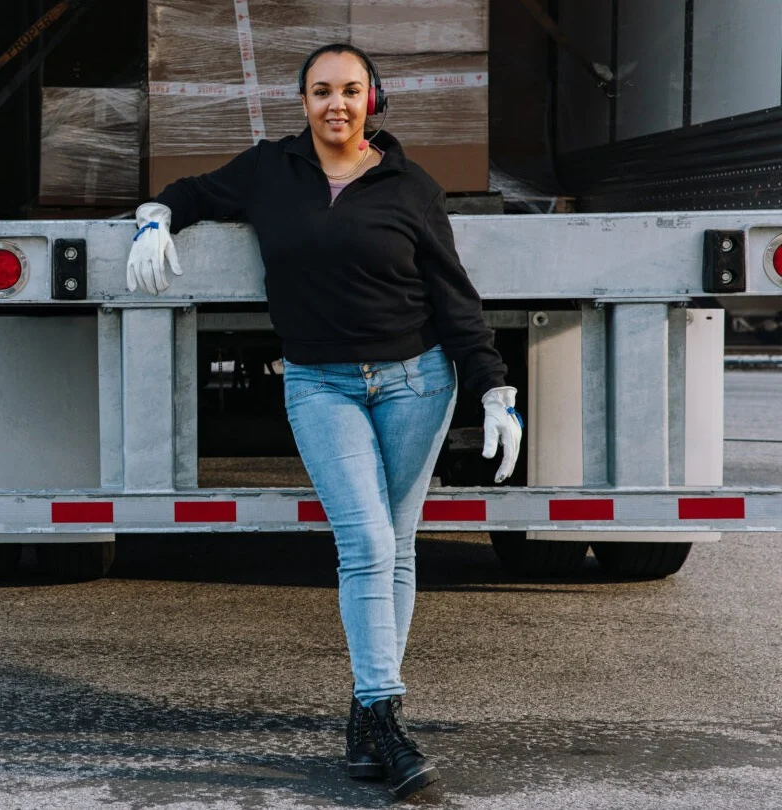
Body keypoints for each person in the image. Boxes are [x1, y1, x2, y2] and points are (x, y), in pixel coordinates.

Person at [125, 43, 523, 800]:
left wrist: (492, 390)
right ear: (302, 100)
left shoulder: (412, 187)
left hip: (417, 382)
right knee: (368, 541)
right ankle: (386, 719)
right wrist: (155, 217)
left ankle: (368, 721)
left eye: (349, 90)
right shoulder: (270, 172)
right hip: (320, 385)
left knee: (397, 547)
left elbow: (454, 299)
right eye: (320, 91)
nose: (335, 104)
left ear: (372, 98)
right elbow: (194, 190)